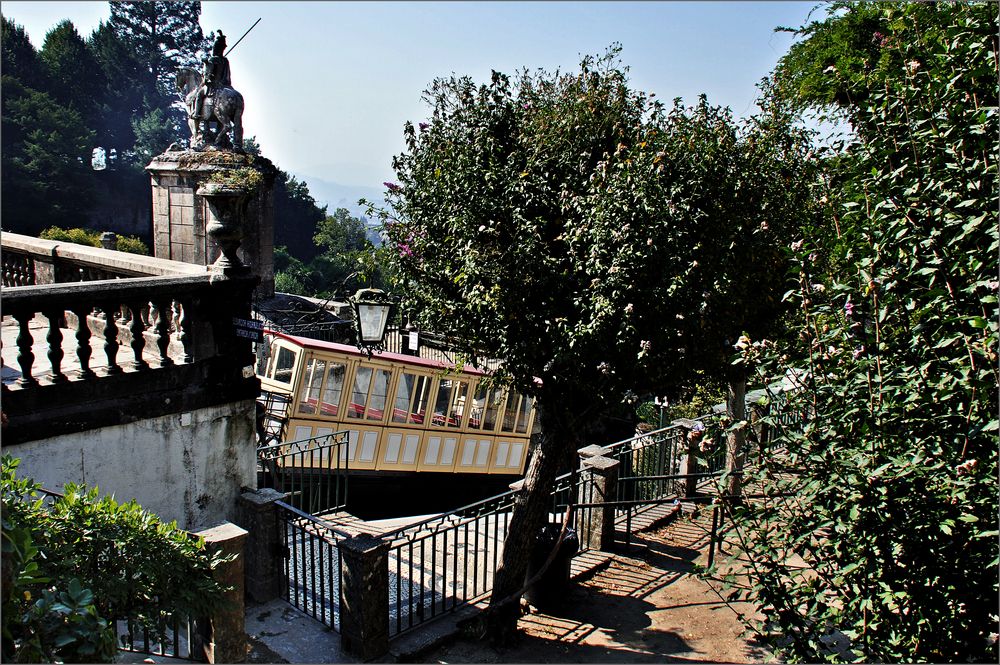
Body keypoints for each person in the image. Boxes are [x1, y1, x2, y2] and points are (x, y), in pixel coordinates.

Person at [190, 31, 231, 120]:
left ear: (216, 48)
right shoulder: (225, 60)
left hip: (213, 85)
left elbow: (207, 75)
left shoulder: (212, 59)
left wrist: (206, 80)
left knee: (199, 95)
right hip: (224, 84)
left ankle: (196, 113)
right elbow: (227, 74)